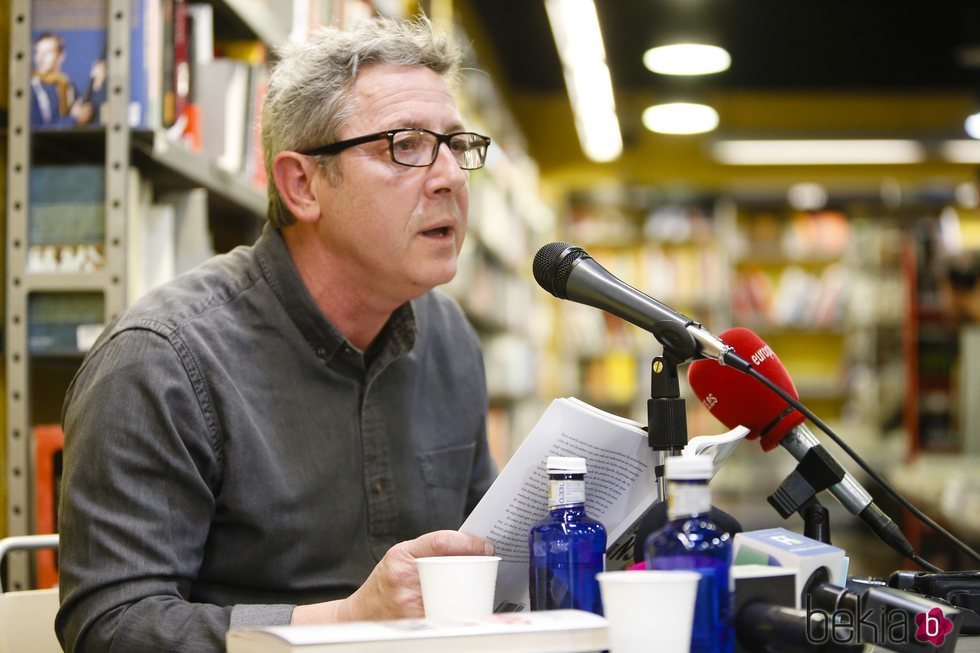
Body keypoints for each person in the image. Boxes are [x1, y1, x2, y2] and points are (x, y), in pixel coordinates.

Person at [56, 16, 497, 653]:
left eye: (457, 145)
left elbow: (479, 550)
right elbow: (111, 628)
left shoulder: (450, 337)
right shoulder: (161, 360)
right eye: (405, 145)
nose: (451, 176)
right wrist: (347, 622)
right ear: (301, 185)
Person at [30, 32, 104, 127]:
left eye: (47, 52)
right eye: (37, 52)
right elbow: (37, 129)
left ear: (61, 55)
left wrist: (96, 84)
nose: (41, 58)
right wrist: (73, 119)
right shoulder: (32, 87)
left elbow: (86, 118)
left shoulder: (67, 85)